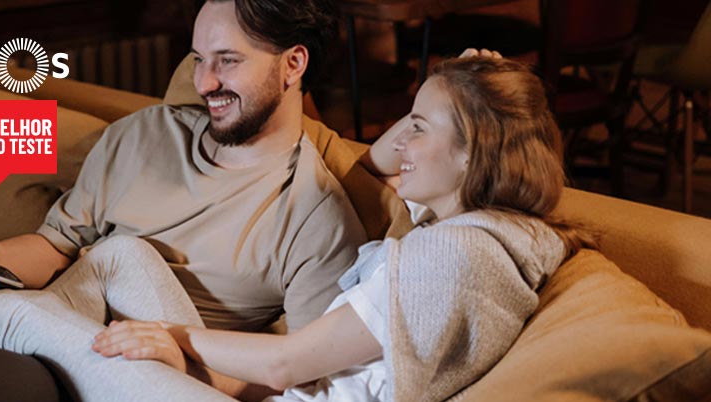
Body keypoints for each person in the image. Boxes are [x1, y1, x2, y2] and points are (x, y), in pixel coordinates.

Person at [0, 0, 366, 402]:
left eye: (227, 61)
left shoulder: (317, 218)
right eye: (198, 59)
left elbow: (302, 382)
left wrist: (179, 364)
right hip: (63, 339)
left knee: (120, 255)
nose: (205, 82)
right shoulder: (143, 135)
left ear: (293, 64)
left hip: (153, 380)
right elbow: (56, 246)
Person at [90, 55, 593, 402]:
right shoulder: (464, 229)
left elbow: (286, 365)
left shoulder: (459, 254)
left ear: (471, 152)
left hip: (279, 386)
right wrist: (464, 82)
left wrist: (170, 338)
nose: (403, 144)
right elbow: (373, 168)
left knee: (28, 320)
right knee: (121, 254)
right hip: (262, 391)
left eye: (418, 128)